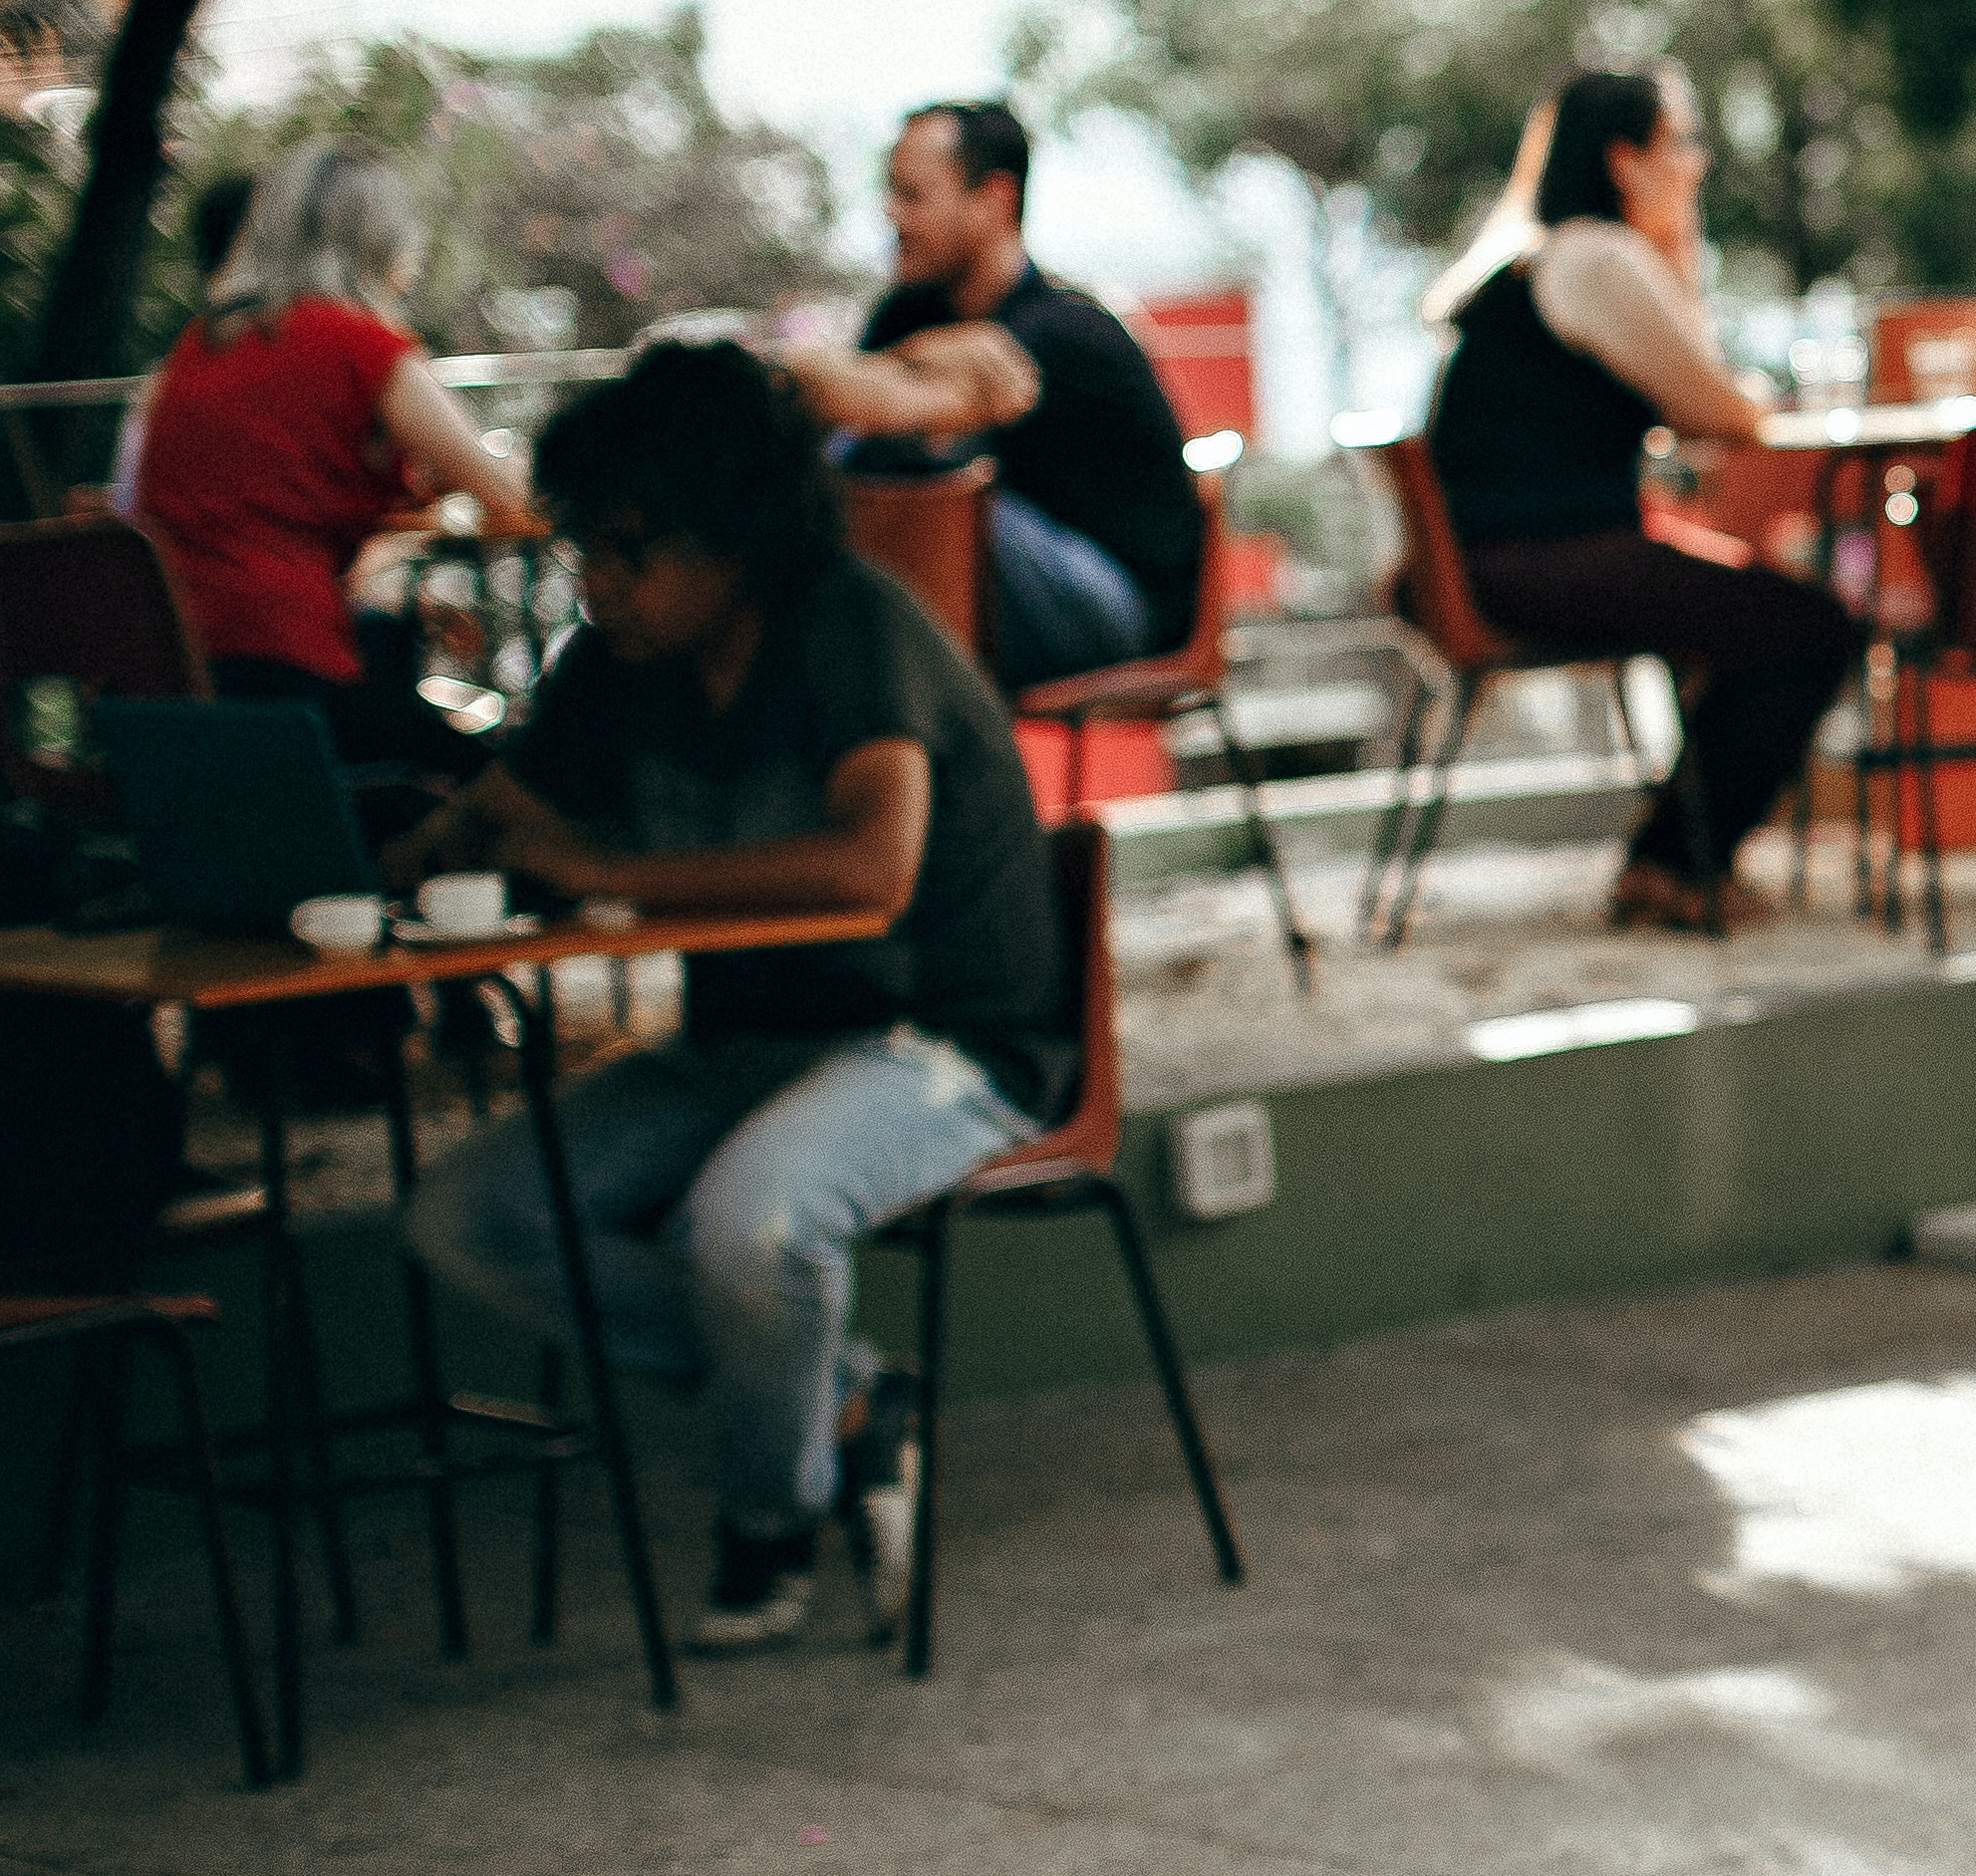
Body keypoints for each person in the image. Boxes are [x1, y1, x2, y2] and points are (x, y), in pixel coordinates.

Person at [398, 341, 1073, 1652]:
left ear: (737, 537)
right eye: (586, 547)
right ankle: (848, 1402)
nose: (599, 583)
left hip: (941, 1035)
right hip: (742, 1046)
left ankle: (770, 1516)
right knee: (467, 1216)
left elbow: (872, 865)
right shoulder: (618, 661)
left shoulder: (852, 630)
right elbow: (500, 815)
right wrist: (417, 851)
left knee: (752, 1229)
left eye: (633, 552)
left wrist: (607, 873)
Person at [1419, 67, 1857, 934]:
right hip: (1540, 560)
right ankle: (1672, 866)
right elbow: (1716, 411)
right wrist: (1682, 255)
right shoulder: (1598, 257)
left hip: (1495, 554)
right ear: (1626, 161)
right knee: (1811, 627)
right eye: (1682, 141)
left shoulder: (1538, 256)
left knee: (1755, 608)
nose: (1696, 164)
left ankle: (1677, 854)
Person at [117, 144, 538, 776]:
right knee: (504, 783)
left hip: (169, 679)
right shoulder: (359, 343)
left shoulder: (199, 347)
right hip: (285, 680)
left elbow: (270, 496)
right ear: (385, 242)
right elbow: (505, 498)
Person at [837, 102, 1204, 686]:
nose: (892, 215)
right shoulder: (903, 317)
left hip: (1122, 607)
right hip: (1000, 596)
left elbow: (894, 410)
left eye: (914, 196)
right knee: (845, 479)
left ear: (995, 199)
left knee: (914, 484)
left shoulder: (1067, 332)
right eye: (890, 194)